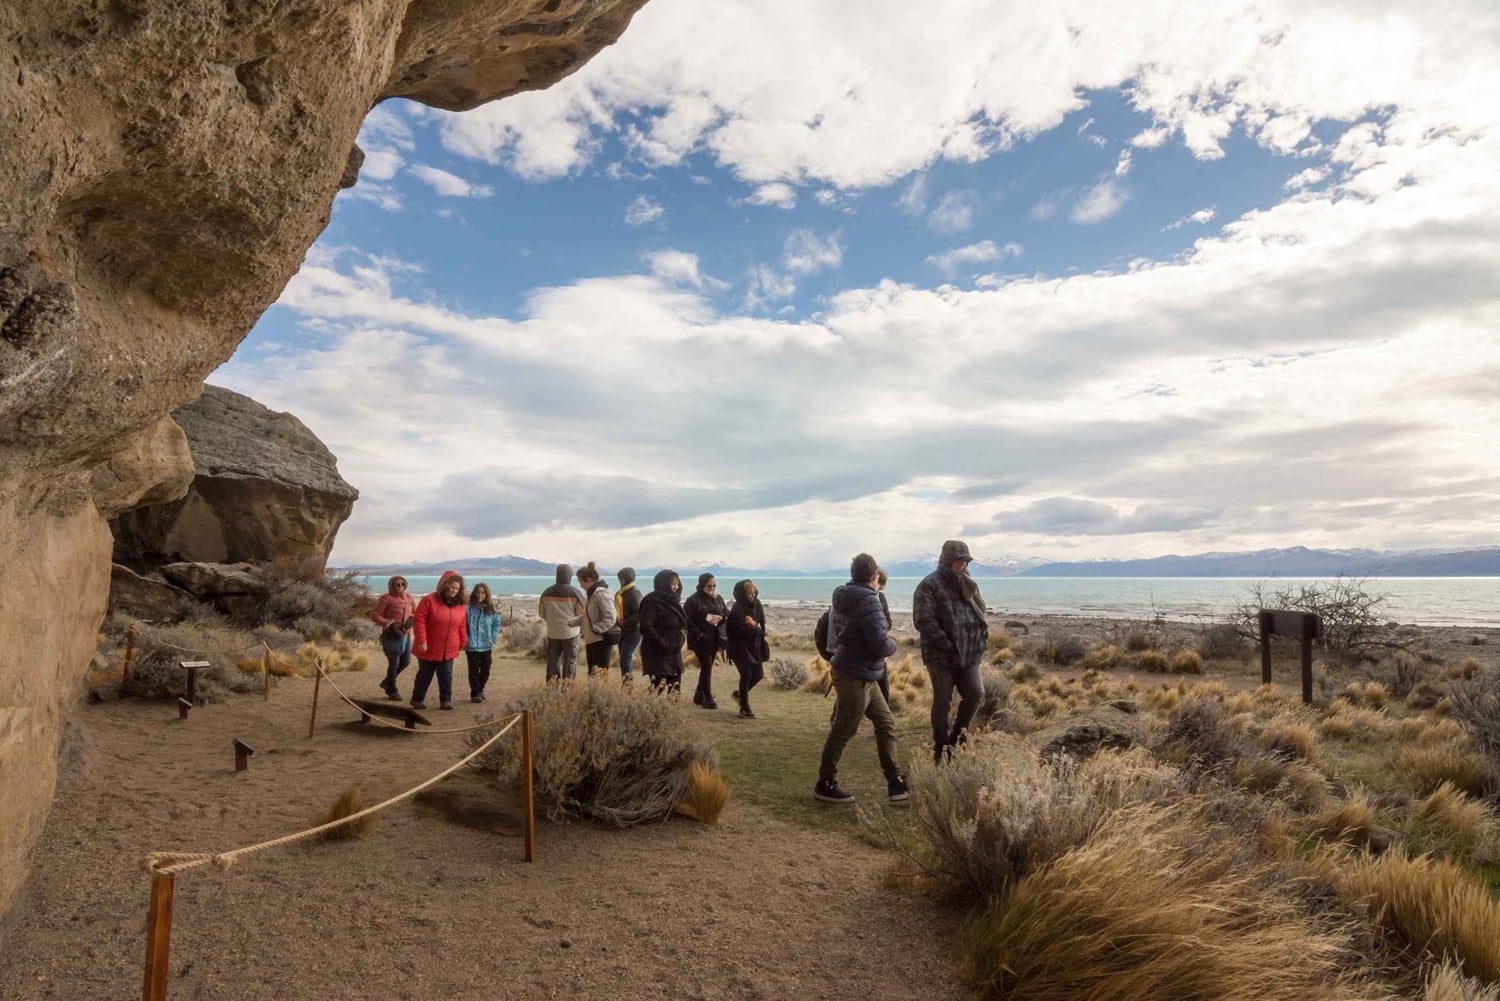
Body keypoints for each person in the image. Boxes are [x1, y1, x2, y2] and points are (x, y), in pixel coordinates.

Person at [815, 553, 907, 804]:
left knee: (886, 723)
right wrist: (894, 644)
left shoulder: (843, 597)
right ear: (874, 576)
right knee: (844, 729)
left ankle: (895, 782)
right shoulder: (869, 601)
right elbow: (879, 644)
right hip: (854, 674)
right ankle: (825, 782)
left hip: (862, 671)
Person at [913, 539, 990, 763]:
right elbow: (923, 620)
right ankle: (941, 746)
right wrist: (947, 644)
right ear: (947, 560)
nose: (963, 564)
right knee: (942, 701)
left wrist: (982, 638)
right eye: (959, 560)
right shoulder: (929, 585)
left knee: (975, 693)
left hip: (970, 654)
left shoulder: (969, 584)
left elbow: (980, 614)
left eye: (966, 560)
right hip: (941, 657)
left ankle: (958, 739)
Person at [412, 570, 468, 710]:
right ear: (444, 585)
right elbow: (419, 621)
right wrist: (421, 641)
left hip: (449, 648)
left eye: (457, 588)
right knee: (425, 674)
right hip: (429, 646)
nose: (454, 591)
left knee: (446, 675)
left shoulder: (460, 605)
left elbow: (462, 624)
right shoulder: (429, 600)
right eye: (452, 587)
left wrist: (463, 641)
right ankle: (417, 699)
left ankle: (445, 701)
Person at [684, 572, 729, 708]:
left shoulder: (718, 598)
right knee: (707, 666)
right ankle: (708, 697)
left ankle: (699, 695)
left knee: (707, 667)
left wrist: (721, 618)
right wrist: (699, 634)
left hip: (715, 638)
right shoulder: (693, 600)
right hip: (700, 640)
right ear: (702, 585)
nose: (712, 589)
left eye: (714, 586)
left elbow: (727, 614)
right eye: (709, 586)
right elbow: (687, 620)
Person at [726, 580, 770, 719]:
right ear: (742, 594)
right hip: (739, 648)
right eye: (749, 594)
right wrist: (755, 628)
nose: (752, 596)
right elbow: (741, 631)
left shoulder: (757, 604)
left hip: (754, 647)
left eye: (753, 593)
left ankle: (740, 695)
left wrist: (756, 629)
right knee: (746, 674)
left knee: (758, 675)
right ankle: (744, 707)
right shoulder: (737, 609)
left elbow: (761, 624)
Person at [638, 569, 686, 693]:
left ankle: (671, 707)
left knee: (675, 687)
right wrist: (662, 642)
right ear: (664, 584)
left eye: (677, 584)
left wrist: (680, 639)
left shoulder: (674, 601)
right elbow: (646, 626)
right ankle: (649, 707)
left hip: (674, 651)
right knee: (658, 687)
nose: (676, 587)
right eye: (673, 584)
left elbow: (681, 623)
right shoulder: (652, 601)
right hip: (656, 651)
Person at [371, 575, 416, 700]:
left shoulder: (409, 598)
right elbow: (375, 615)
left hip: (406, 635)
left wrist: (411, 620)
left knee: (406, 661)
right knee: (394, 663)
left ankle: (387, 682)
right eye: (397, 584)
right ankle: (392, 690)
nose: (400, 587)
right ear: (392, 585)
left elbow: (415, 612)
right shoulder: (386, 598)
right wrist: (388, 624)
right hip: (392, 635)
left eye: (402, 584)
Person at [538, 563, 585, 681]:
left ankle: (552, 687)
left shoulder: (546, 592)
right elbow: (582, 615)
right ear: (569, 576)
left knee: (553, 661)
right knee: (570, 661)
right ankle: (567, 687)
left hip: (553, 633)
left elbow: (542, 614)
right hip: (571, 633)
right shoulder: (575, 592)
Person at [577, 562, 621, 677]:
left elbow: (611, 617)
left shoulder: (601, 595)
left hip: (601, 640)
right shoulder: (591, 595)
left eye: (581, 582)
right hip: (592, 640)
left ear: (588, 580)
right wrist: (571, 622)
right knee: (592, 674)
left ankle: (600, 690)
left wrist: (597, 629)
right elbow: (588, 616)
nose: (580, 585)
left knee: (599, 675)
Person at [465, 582, 502, 703]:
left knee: (486, 668)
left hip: (486, 645)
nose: (480, 595)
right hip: (472, 646)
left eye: (482, 592)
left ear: (486, 594)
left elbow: (496, 623)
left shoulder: (490, 609)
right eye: (478, 592)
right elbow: (462, 626)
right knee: (473, 671)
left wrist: (493, 637)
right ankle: (475, 693)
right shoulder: (468, 609)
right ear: (474, 593)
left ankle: (480, 689)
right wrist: (466, 639)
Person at [615, 567, 644, 679]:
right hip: (624, 630)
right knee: (624, 657)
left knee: (625, 656)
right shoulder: (624, 593)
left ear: (623, 580)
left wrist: (623, 622)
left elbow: (639, 614)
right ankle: (626, 681)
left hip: (634, 630)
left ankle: (628, 684)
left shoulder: (634, 593)